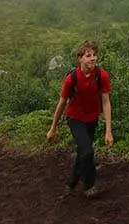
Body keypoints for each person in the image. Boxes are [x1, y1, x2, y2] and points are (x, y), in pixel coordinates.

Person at [47, 39, 113, 198]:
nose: (93, 58)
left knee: (83, 152)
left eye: (95, 55)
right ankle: (89, 186)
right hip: (75, 119)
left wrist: (108, 130)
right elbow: (62, 104)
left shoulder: (101, 75)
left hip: (92, 119)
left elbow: (105, 101)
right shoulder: (72, 79)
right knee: (88, 152)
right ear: (80, 58)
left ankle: (71, 183)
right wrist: (53, 128)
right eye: (88, 55)